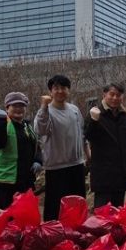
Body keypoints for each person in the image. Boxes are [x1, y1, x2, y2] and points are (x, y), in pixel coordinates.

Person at [34, 75, 88, 221]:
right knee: (55, 208)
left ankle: (78, 230)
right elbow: (40, 130)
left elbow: (81, 134)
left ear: (68, 90)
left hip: (76, 164)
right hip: (56, 167)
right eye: (56, 88)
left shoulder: (74, 110)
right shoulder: (46, 111)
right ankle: (54, 231)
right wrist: (43, 107)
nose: (60, 91)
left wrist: (87, 154)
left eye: (63, 88)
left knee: (77, 204)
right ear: (50, 91)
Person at [0, 92, 41, 209]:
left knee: (24, 213)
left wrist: (38, 161)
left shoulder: (26, 126)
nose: (19, 109)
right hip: (7, 181)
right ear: (7, 108)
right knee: (6, 214)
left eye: (22, 106)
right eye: (15, 106)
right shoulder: (3, 124)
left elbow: (36, 147)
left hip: (26, 180)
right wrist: (0, 122)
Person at [85, 83, 126, 208]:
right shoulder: (95, 114)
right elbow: (89, 135)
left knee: (118, 213)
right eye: (112, 94)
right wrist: (94, 121)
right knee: (102, 213)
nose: (115, 98)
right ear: (104, 94)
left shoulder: (125, 117)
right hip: (103, 175)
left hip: (121, 175)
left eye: (118, 95)